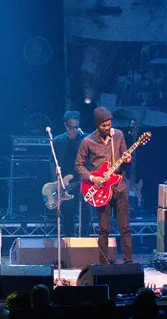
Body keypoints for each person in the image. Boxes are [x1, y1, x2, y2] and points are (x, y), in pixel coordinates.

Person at [75, 107, 133, 264]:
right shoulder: (88, 141)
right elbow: (78, 165)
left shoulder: (119, 135)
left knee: (125, 228)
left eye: (109, 125)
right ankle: (103, 264)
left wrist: (127, 159)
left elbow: (125, 156)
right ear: (97, 125)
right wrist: (93, 178)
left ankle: (129, 264)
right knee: (104, 230)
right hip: (100, 190)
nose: (107, 128)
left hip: (119, 187)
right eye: (104, 126)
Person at [51, 111, 85, 235]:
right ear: (66, 126)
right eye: (72, 127)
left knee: (85, 214)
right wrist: (57, 180)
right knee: (68, 215)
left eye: (77, 127)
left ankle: (85, 242)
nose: (75, 130)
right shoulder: (58, 141)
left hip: (82, 182)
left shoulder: (85, 140)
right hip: (65, 184)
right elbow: (52, 163)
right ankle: (68, 243)